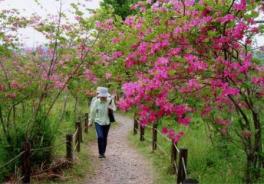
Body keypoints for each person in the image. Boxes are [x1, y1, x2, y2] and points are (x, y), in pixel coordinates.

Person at [88, 87, 113, 158]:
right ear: (100, 95)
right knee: (100, 137)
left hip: (107, 122)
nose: (103, 97)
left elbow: (115, 108)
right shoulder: (96, 102)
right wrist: (90, 121)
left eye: (104, 96)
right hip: (98, 121)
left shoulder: (110, 100)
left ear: (106, 96)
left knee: (104, 137)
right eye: (102, 96)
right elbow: (92, 112)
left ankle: (103, 153)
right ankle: (100, 152)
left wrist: (111, 108)